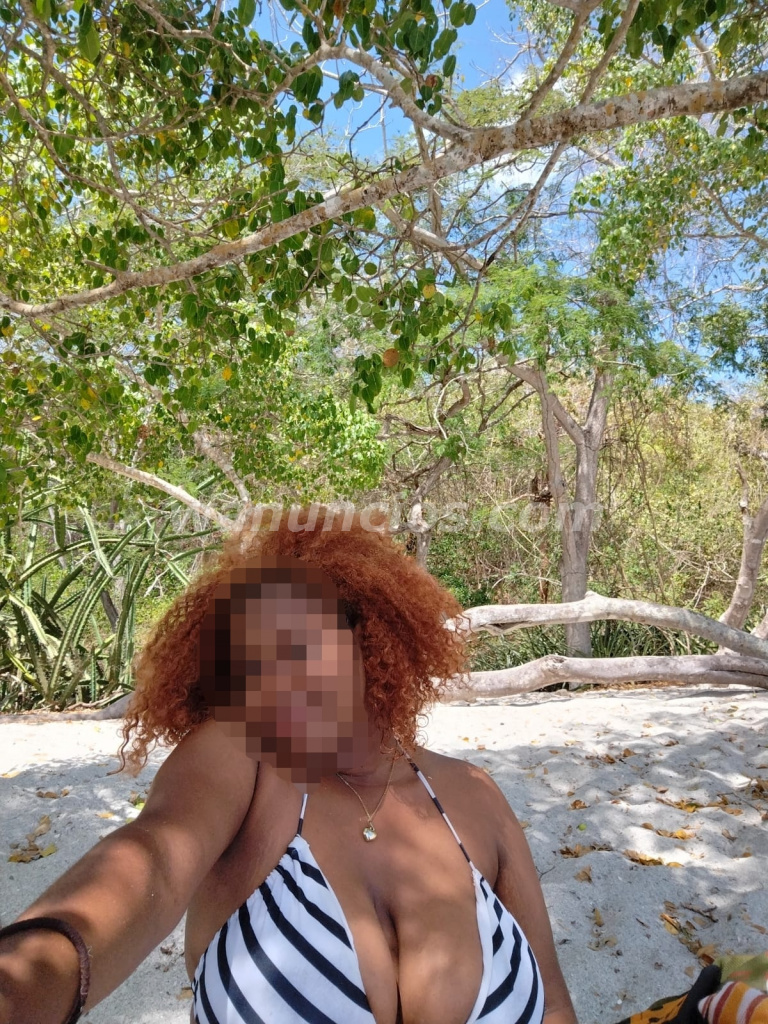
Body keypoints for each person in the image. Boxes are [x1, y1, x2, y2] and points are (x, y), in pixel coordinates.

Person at [0, 502, 578, 1024]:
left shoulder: (474, 795)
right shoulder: (246, 764)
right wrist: (29, 976)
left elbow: (552, 1003)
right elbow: (151, 857)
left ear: (368, 635)